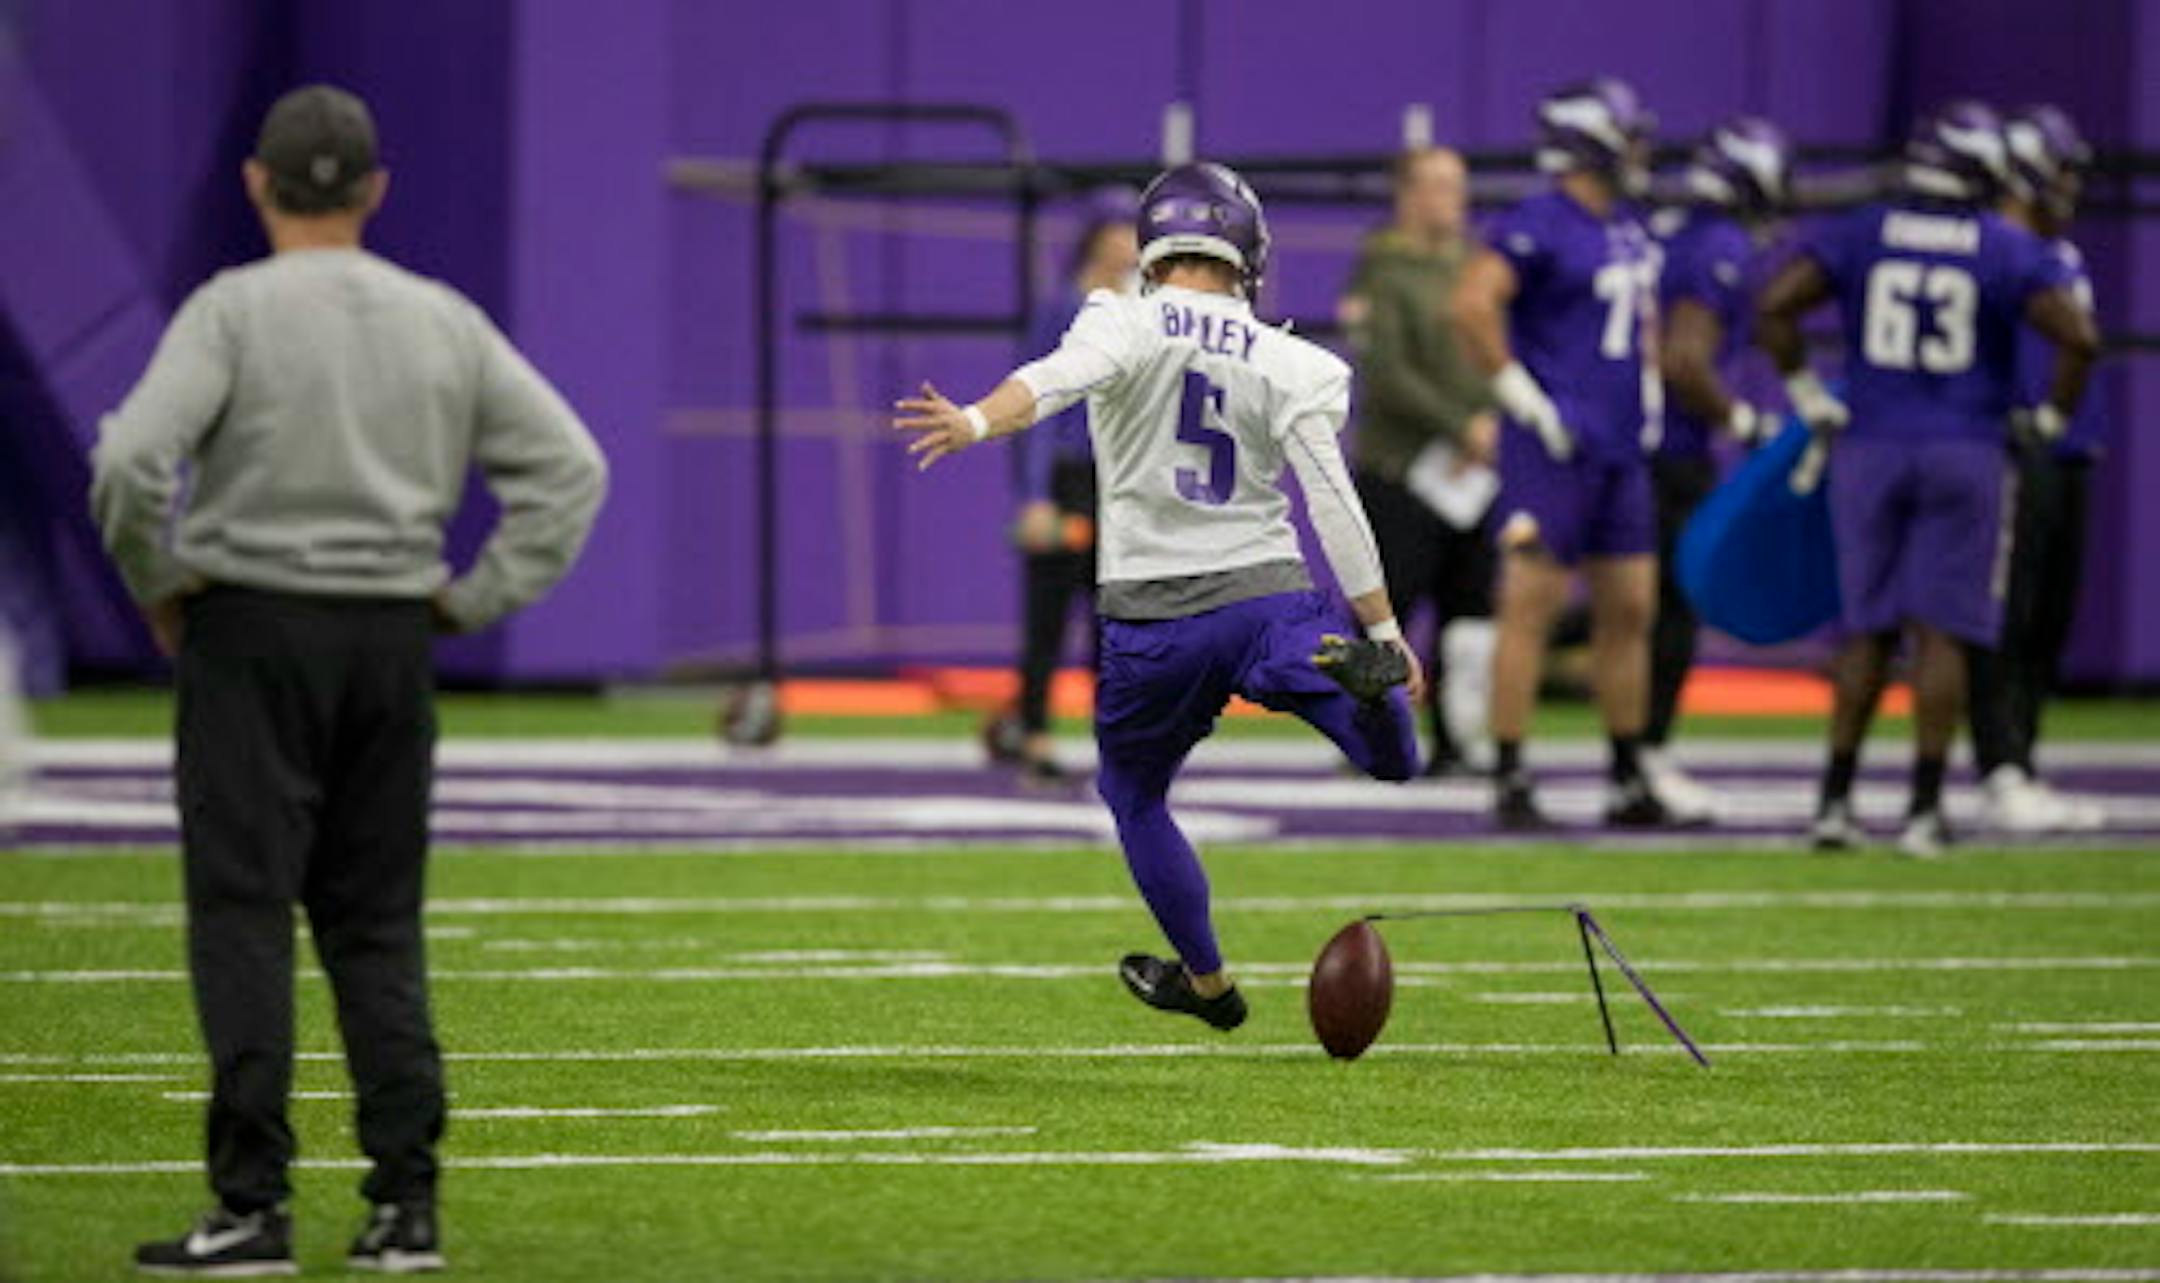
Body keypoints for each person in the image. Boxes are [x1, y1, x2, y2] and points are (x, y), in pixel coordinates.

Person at [92, 86, 608, 1274]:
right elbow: (569, 470)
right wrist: (469, 599)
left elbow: (128, 457)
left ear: (258, 186)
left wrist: (158, 582)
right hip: (387, 637)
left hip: (249, 632)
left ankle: (252, 1206)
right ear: (374, 190)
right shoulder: (440, 318)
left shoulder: (230, 311)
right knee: (375, 927)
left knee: (244, 917)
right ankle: (405, 1208)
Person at [894, 162, 1421, 1030]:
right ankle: (1375, 695)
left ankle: (1209, 984)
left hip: (1152, 618)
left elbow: (1051, 381)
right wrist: (1387, 627)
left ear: (1155, 245)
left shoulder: (1119, 318)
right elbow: (1332, 499)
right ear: (1245, 252)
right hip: (1266, 600)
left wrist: (977, 420)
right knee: (1395, 760)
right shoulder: (1293, 359)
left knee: (1134, 796)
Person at [1755, 101, 2097, 858]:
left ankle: (1835, 803)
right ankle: (1922, 809)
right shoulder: (2001, 244)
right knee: (1942, 631)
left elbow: (1776, 305)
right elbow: (2079, 334)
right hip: (1965, 446)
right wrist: (2047, 420)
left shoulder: (1865, 230)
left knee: (1866, 628)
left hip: (1872, 445)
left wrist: (1809, 396)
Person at [1450, 77, 1682, 829]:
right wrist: (1523, 398)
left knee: (1631, 608)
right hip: (1554, 445)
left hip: (1619, 443)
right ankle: (1511, 775)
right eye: (1627, 135)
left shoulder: (1627, 223)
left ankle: (1625, 769)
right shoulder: (1538, 220)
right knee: (1530, 608)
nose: (1640, 150)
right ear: (1594, 140)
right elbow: (1471, 302)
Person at [1644, 117, 1795, 822]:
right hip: (1669, 449)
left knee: (1630, 608)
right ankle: (1647, 752)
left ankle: (1633, 755)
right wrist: (1742, 421)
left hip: (1623, 439)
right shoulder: (1719, 245)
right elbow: (1683, 358)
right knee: (1672, 604)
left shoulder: (1663, 228)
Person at [1969, 105, 2108, 833]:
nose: (2069, 185)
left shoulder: (2054, 251)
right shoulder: (1997, 251)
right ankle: (2001, 765)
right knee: (2009, 615)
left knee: (2047, 617)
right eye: (2058, 170)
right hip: (2014, 448)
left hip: (2067, 448)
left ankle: (2023, 759)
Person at [1340, 146, 1499, 775]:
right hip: (1401, 466)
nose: (1447, 200)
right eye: (1433, 186)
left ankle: (1462, 737)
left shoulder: (1477, 266)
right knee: (1389, 605)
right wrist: (1461, 426)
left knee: (1472, 605)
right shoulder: (1383, 269)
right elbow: (1388, 371)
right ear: (1405, 193)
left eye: (1455, 186)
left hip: (1473, 473)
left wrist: (1491, 424)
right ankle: (1373, 736)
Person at [985, 189, 1139, 787]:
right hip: (1068, 476)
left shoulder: (1141, 312)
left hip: (1121, 482)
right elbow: (1033, 402)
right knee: (1047, 617)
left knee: (1117, 621)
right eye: (1121, 230)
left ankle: (1118, 747)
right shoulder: (1061, 307)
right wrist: (1034, 496)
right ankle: (1037, 735)